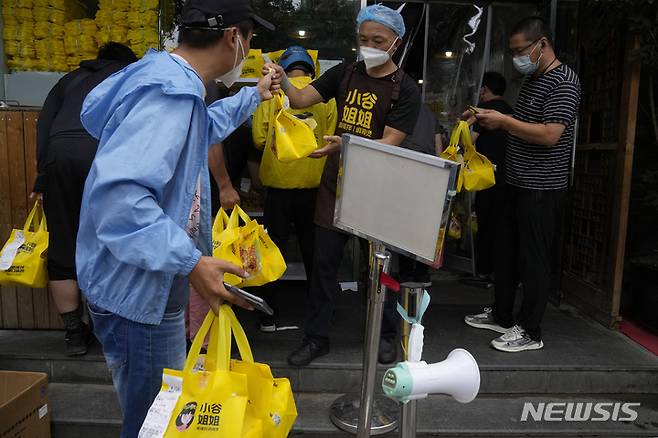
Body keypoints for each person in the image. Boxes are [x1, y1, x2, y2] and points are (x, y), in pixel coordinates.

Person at [75, 1, 276, 435]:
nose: (248, 48)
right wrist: (191, 263)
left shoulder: (166, 80)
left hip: (143, 281)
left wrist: (251, 97)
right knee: (155, 425)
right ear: (233, 38)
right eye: (250, 39)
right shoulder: (170, 92)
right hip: (139, 294)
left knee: (155, 416)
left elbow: (199, 128)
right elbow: (122, 201)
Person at [267, 4, 421, 366]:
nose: (368, 45)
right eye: (363, 38)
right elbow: (301, 99)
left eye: (378, 40)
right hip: (335, 187)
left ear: (396, 42)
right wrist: (282, 78)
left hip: (377, 191)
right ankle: (316, 337)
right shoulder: (345, 73)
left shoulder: (406, 90)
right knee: (323, 267)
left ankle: (385, 334)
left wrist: (346, 144)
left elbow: (390, 143)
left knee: (381, 269)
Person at [464, 17, 581, 352]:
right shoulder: (533, 80)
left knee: (534, 261)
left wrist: (503, 120)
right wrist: (486, 116)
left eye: (520, 51)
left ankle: (531, 331)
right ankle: (502, 315)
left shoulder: (565, 82)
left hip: (542, 187)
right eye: (513, 51)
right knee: (507, 253)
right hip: (515, 182)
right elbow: (522, 123)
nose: (517, 57)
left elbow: (549, 134)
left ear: (541, 44)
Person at [32, 42, 138, 356]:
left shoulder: (69, 79)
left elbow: (44, 128)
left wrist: (43, 174)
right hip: (105, 153)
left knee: (64, 242)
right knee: (112, 241)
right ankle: (109, 328)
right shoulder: (131, 76)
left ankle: (74, 334)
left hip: (59, 156)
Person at [251, 45, 337, 332]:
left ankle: (267, 315)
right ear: (312, 69)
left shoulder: (274, 92)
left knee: (271, 251)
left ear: (284, 68)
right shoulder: (326, 96)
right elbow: (332, 140)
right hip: (314, 188)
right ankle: (315, 316)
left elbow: (259, 138)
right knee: (314, 253)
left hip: (278, 185)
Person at [465, 71, 513, 288]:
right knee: (502, 226)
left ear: (484, 90)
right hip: (509, 176)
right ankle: (499, 273)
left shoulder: (484, 114)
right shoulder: (510, 112)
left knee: (485, 225)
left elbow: (470, 141)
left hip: (487, 177)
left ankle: (484, 272)